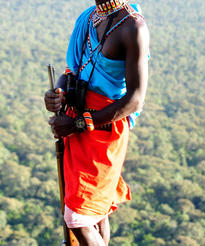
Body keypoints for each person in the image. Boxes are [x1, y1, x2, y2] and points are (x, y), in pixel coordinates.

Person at [44, 0, 149, 245]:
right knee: (94, 212)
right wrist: (57, 93)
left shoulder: (133, 27)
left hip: (105, 130)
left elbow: (135, 100)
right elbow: (72, 72)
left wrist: (80, 123)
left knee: (77, 218)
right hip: (76, 123)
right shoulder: (90, 17)